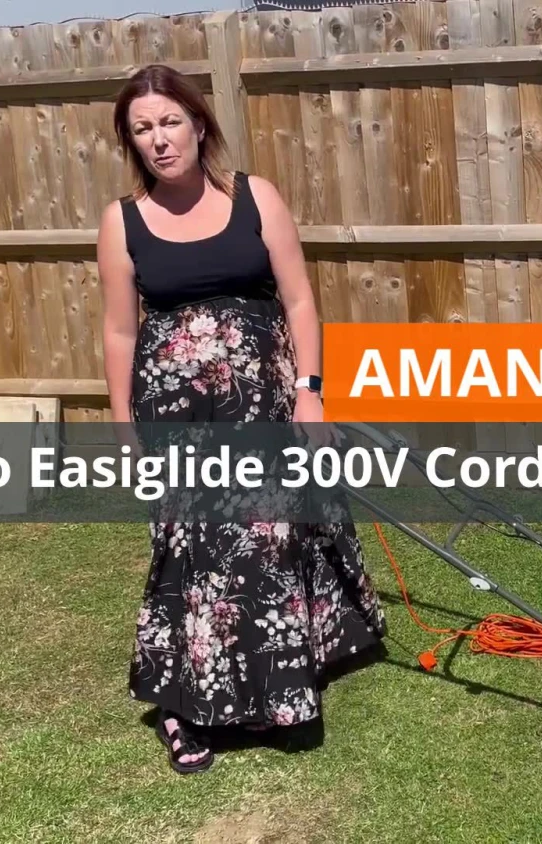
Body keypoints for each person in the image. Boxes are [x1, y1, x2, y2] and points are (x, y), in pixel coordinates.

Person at [97, 63, 387, 775]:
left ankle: (274, 692)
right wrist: (123, 425)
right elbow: (120, 332)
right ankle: (183, 707)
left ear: (199, 124)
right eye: (143, 129)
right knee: (192, 550)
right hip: (177, 416)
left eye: (170, 121)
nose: (160, 139)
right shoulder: (122, 222)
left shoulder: (256, 198)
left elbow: (300, 300)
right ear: (131, 142)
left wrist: (310, 391)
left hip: (264, 402)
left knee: (270, 537)